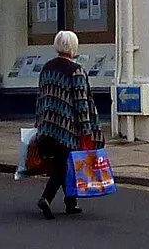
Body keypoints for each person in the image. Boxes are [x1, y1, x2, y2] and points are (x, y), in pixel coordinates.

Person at [31, 29, 99, 219]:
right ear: (74, 47)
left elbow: (41, 98)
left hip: (46, 128)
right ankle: (46, 198)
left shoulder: (46, 68)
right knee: (63, 166)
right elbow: (82, 104)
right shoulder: (76, 71)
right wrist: (87, 131)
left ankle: (71, 203)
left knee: (63, 164)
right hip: (66, 131)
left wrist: (38, 125)